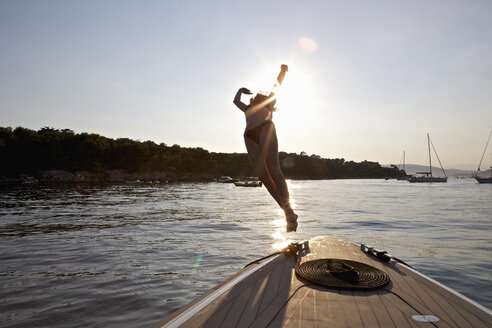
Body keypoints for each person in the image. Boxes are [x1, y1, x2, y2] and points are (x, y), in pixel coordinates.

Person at [233, 64, 298, 232]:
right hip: (249, 136)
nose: (257, 97)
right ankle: (286, 212)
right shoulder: (247, 108)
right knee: (263, 176)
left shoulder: (269, 103)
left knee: (274, 168)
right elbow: (235, 101)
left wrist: (283, 71)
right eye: (256, 97)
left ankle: (289, 209)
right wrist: (241, 89)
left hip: (265, 127)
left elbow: (277, 84)